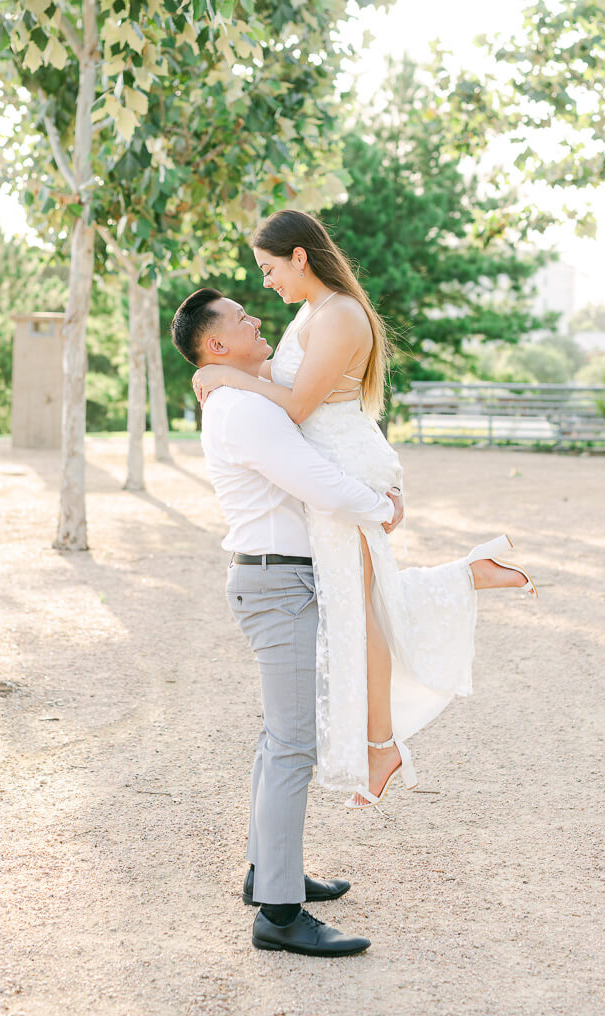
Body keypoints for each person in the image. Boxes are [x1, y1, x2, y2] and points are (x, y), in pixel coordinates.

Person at [191, 209, 537, 811]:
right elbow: (280, 379)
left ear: (300, 257)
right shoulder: (311, 315)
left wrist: (223, 374)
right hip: (336, 463)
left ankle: (382, 744)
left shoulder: (343, 314)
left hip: (345, 466)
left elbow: (296, 405)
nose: (266, 282)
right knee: (359, 607)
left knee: (360, 611)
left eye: (270, 268)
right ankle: (467, 579)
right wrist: (227, 373)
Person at [171, 286, 405, 956]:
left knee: (280, 738)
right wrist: (381, 507)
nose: (257, 319)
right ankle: (278, 912)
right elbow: (315, 479)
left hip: (275, 577)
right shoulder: (243, 409)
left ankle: (266, 872)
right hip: (276, 582)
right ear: (216, 346)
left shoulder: (239, 396)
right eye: (241, 320)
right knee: (293, 744)